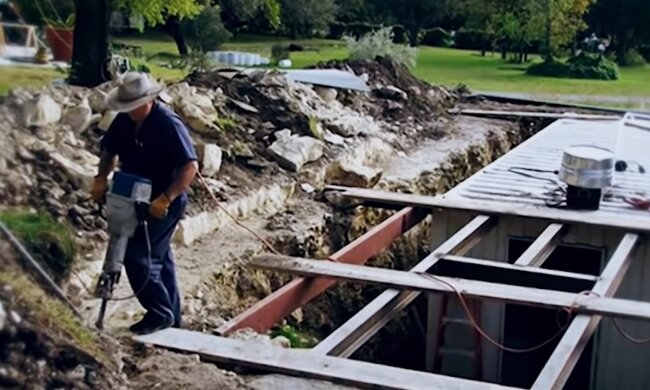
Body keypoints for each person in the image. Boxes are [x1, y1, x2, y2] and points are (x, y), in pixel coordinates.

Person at [90, 72, 198, 335]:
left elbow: (190, 166)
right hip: (131, 194)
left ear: (148, 100)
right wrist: (101, 178)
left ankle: (159, 314)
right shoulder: (124, 121)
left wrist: (166, 198)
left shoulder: (167, 123)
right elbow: (109, 150)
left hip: (163, 200)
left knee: (138, 257)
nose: (130, 111)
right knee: (159, 259)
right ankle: (172, 318)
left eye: (134, 106)